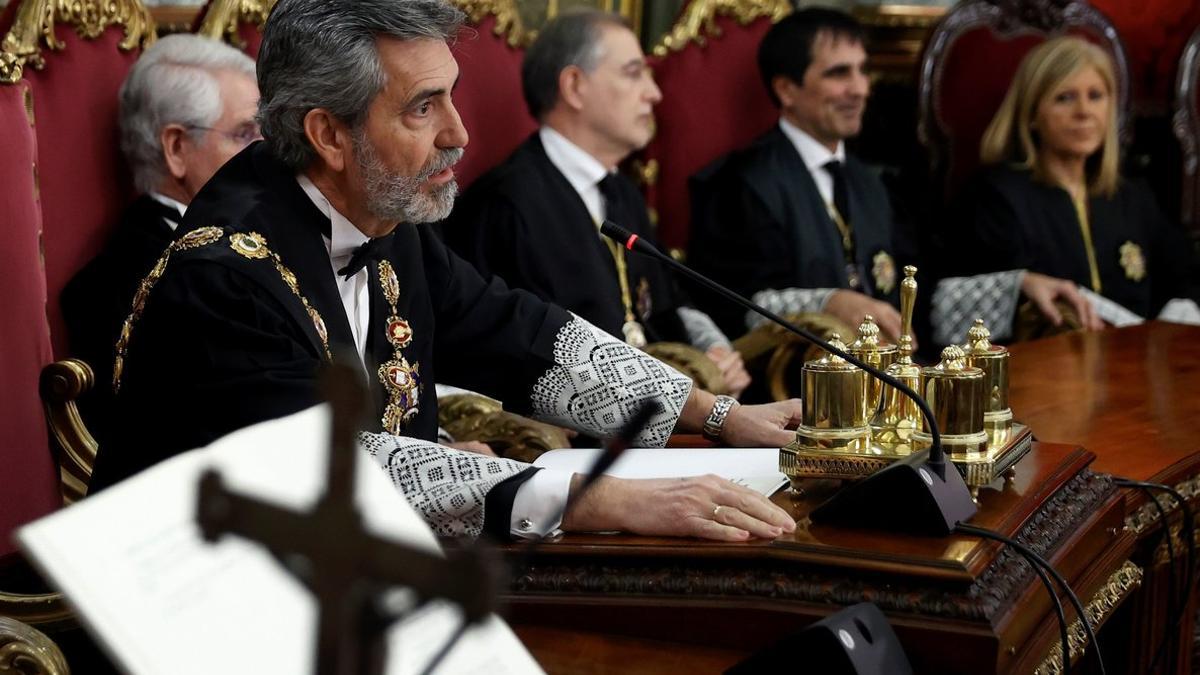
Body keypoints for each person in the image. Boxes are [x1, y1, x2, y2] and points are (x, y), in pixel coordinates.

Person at [90, 0, 800, 545]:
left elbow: (518, 333)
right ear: (328, 135)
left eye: (451, 95)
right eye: (423, 107)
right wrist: (599, 497)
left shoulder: (382, 211)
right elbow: (331, 472)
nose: (459, 133)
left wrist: (721, 417)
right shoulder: (223, 273)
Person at [689, 8, 1095, 346]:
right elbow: (728, 309)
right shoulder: (738, 184)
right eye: (838, 74)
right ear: (787, 89)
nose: (860, 89)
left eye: (863, 71)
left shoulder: (876, 184)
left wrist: (1016, 286)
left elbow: (925, 295)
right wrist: (830, 303)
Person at [442, 10, 750, 398]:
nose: (654, 93)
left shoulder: (622, 192)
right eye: (634, 72)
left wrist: (712, 352)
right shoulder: (504, 204)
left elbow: (666, 305)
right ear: (574, 86)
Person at [61, 34, 260, 438]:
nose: (268, 152)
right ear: (176, 148)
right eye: (244, 134)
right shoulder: (122, 282)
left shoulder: (257, 232)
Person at [948, 36, 1200, 328]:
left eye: (1096, 96)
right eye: (1064, 98)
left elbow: (1186, 277)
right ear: (1031, 114)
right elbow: (962, 307)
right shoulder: (996, 197)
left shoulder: (1131, 195)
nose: (1084, 112)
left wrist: (1180, 310)